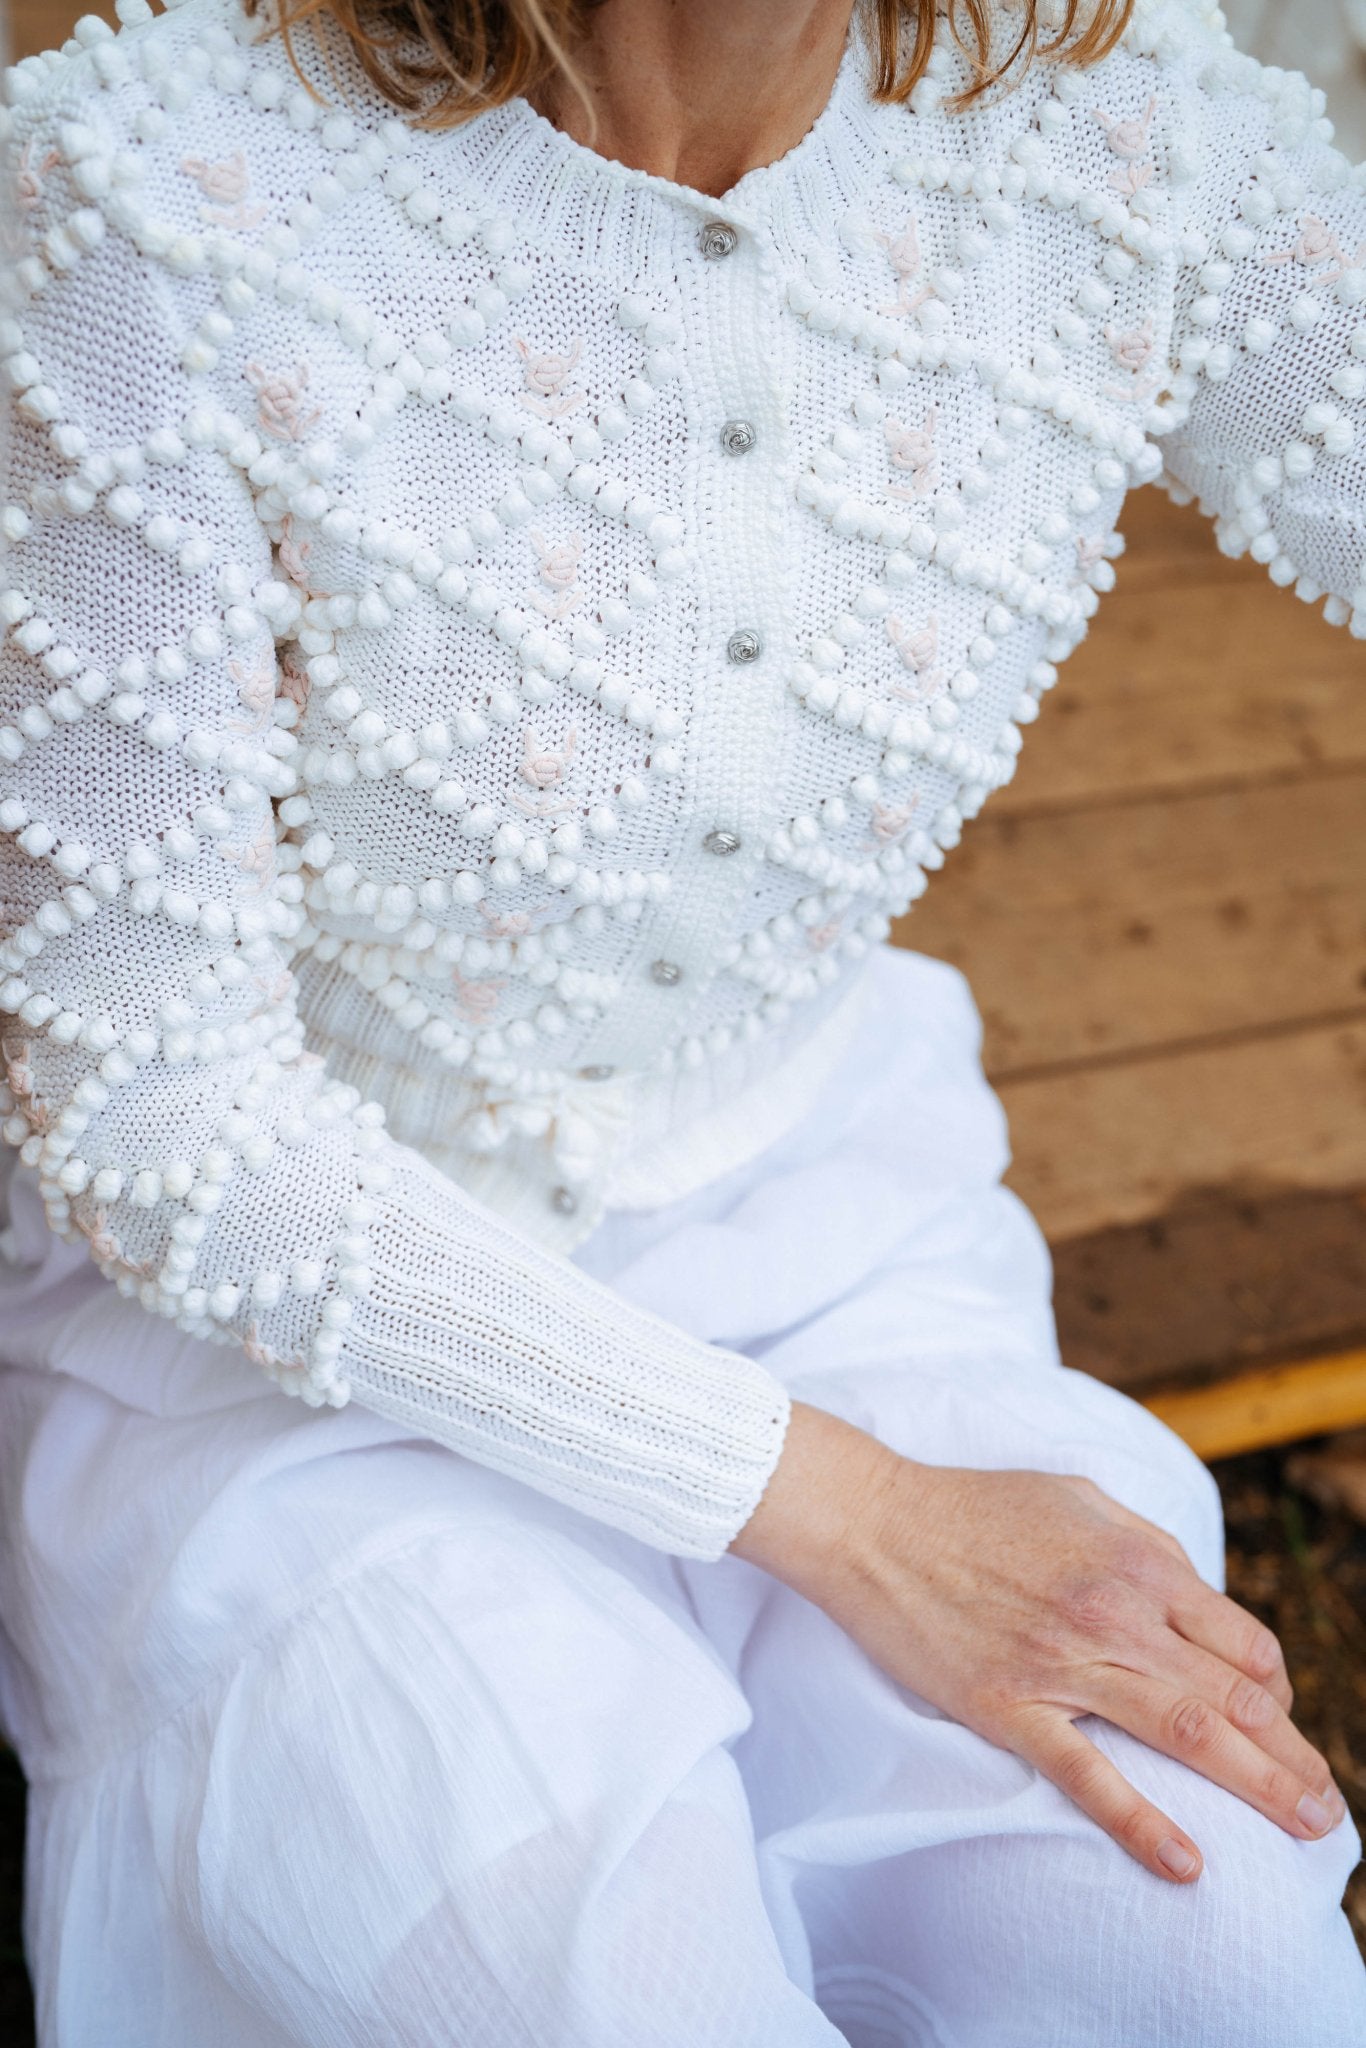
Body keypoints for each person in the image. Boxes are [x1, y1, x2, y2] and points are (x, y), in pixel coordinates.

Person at [0, 0, 1363, 2038]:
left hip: (816, 1223)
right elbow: (157, 1114)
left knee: (1208, 1955)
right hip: (289, 1337)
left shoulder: (1130, 131)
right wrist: (871, 1520)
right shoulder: (145, 196)